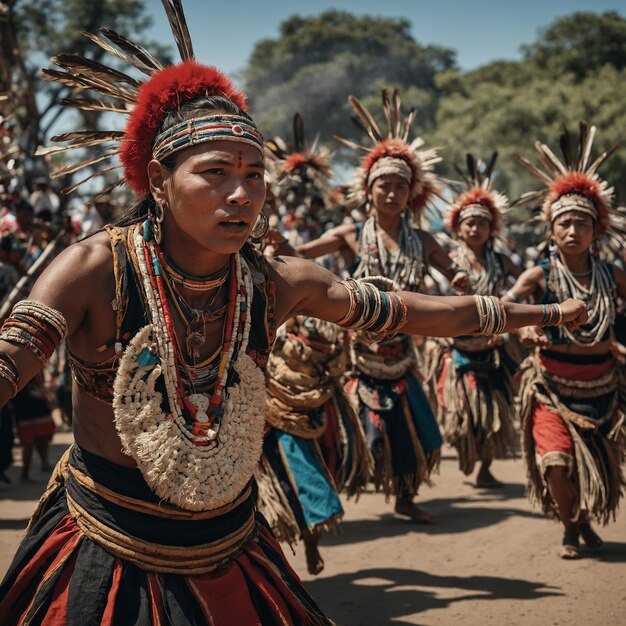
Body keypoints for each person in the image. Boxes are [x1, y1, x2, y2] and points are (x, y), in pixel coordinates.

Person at [0, 5, 587, 623]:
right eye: (216, 174)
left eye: (255, 175)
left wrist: (539, 313)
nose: (241, 194)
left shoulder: (274, 283)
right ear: (158, 179)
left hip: (231, 543)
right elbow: (11, 361)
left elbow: (418, 310)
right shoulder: (94, 269)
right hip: (109, 547)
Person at [297, 90, 469, 523]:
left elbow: (455, 273)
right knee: (359, 435)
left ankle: (405, 497)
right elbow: (301, 254)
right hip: (357, 356)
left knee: (414, 437)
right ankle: (345, 485)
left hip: (404, 355)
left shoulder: (423, 240)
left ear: (411, 193)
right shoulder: (351, 234)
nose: (391, 193)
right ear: (368, 191)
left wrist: (462, 278)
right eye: (384, 185)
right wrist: (280, 246)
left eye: (399, 186)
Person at [506, 122, 626, 559]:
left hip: (603, 387)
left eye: (582, 223)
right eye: (564, 223)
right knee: (556, 461)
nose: (573, 230)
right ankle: (570, 528)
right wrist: (524, 327)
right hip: (552, 387)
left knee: (594, 466)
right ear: (551, 231)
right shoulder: (538, 275)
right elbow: (508, 303)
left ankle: (583, 519)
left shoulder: (612, 276)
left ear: (596, 230)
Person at [258, 118, 372, 576]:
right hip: (254, 376)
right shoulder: (229, 239)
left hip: (312, 360)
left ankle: (307, 535)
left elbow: (298, 266)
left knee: (302, 458)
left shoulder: (337, 235)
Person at [430, 153, 522, 487]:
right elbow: (433, 296)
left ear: (490, 228)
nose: (475, 228)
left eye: (482, 223)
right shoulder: (450, 261)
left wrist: (510, 305)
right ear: (458, 227)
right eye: (469, 223)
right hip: (458, 350)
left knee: (493, 413)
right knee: (466, 416)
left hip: (492, 349)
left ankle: (484, 467)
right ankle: (470, 455)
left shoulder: (501, 260)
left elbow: (528, 281)